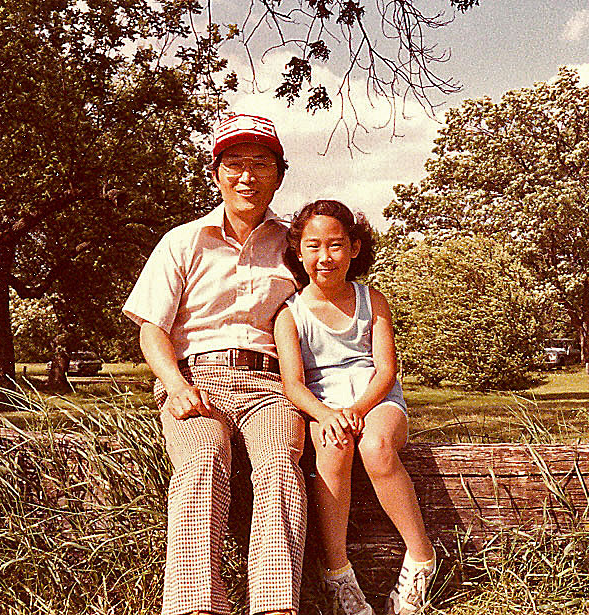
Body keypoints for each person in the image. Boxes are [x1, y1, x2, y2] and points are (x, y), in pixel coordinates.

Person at [123, 114, 306, 615]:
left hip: (271, 385)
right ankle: (196, 606)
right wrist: (175, 384)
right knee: (203, 458)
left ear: (279, 175)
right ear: (216, 173)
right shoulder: (183, 241)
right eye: (235, 164)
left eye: (261, 164)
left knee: (279, 462)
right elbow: (152, 329)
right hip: (196, 379)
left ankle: (275, 607)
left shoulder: (294, 245)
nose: (248, 176)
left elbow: (323, 313)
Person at [273, 200, 435, 615]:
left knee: (376, 447)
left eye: (336, 245)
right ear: (298, 252)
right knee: (333, 448)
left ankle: (421, 559)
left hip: (376, 400)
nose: (325, 257)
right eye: (313, 246)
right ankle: (337, 575)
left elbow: (386, 369)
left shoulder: (371, 300)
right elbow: (293, 385)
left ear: (354, 248)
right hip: (324, 405)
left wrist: (360, 409)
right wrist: (327, 414)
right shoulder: (290, 314)